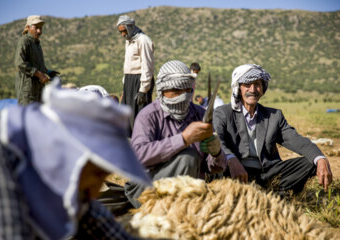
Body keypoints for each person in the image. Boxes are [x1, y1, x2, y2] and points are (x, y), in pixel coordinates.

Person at [0, 79, 151, 239]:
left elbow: (98, 223)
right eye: (98, 174)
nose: (96, 191)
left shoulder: (63, 167)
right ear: (74, 154)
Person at [213, 64, 333, 195]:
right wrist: (231, 159)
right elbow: (217, 140)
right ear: (238, 88)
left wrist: (320, 158)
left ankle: (274, 192)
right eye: (247, 85)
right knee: (218, 164)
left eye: (257, 84)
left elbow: (295, 139)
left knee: (310, 162)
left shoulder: (274, 116)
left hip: (268, 172)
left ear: (263, 88)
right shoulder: (223, 113)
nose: (252, 89)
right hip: (237, 171)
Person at [124, 60, 227, 208]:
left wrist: (216, 153)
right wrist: (183, 139)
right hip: (146, 188)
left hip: (190, 189)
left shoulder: (200, 115)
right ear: (162, 91)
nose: (183, 96)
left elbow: (214, 168)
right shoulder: (148, 115)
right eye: (176, 91)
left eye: (187, 91)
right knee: (187, 157)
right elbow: (138, 156)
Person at [117, 15, 155, 134]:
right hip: (129, 80)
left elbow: (147, 65)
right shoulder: (129, 41)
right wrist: (125, 87)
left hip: (140, 80)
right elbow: (128, 65)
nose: (123, 34)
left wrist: (143, 89)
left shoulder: (143, 40)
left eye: (124, 31)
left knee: (139, 114)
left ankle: (142, 144)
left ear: (131, 27)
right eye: (121, 32)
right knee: (127, 115)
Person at [15, 15, 59, 106]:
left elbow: (38, 65)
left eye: (41, 28)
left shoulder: (37, 44)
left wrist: (48, 72)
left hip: (39, 91)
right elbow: (19, 63)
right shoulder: (24, 41)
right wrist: (39, 74)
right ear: (28, 27)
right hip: (28, 93)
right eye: (36, 28)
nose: (39, 31)